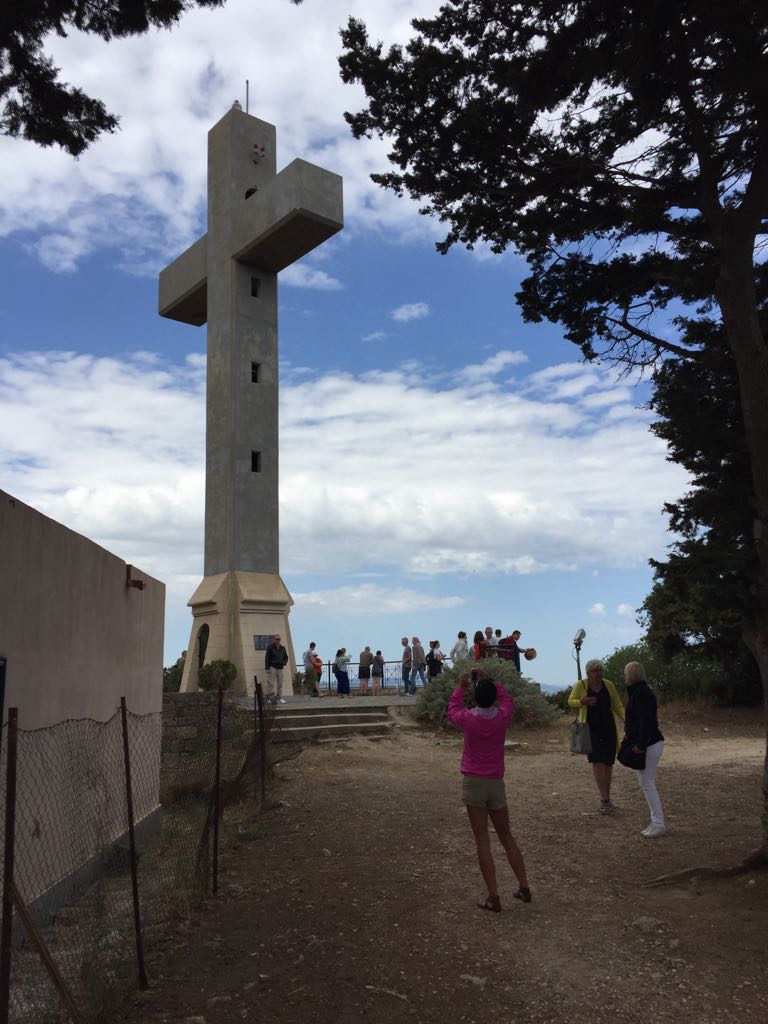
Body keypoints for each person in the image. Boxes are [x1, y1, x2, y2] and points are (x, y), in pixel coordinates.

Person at [447, 668, 531, 912]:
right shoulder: (502, 717)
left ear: (474, 698)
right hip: (496, 781)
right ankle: (524, 887)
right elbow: (508, 700)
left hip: (474, 781)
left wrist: (461, 686)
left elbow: (452, 709)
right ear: (494, 697)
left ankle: (494, 897)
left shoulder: (468, 718)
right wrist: (492, 682)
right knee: (506, 836)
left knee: (482, 840)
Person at [568, 659, 625, 813]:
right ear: (588, 673)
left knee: (608, 763)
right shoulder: (581, 685)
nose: (599, 674)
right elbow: (570, 701)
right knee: (598, 762)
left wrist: (627, 720)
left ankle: (608, 797)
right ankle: (604, 799)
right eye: (595, 671)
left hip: (608, 729)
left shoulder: (609, 685)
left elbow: (617, 705)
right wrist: (582, 702)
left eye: (600, 670)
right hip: (591, 730)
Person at [624, 661, 666, 837]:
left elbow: (646, 720)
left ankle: (658, 824)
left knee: (647, 783)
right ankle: (656, 822)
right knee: (646, 782)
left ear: (630, 675)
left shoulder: (641, 693)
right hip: (649, 743)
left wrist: (640, 744)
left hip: (649, 744)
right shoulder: (640, 691)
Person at [265, 633, 289, 704]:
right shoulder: (270, 647)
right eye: (276, 639)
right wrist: (267, 668)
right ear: (274, 639)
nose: (278, 640)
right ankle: (269, 698)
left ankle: (279, 698)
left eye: (279, 639)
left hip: (280, 668)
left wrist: (284, 662)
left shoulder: (283, 648)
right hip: (272, 667)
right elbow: (267, 658)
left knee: (280, 684)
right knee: (270, 683)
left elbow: (286, 657)